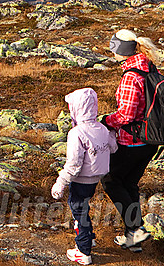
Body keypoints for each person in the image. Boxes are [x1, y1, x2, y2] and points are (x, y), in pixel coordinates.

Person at [101, 29, 158, 253]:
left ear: (120, 50)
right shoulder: (149, 68)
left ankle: (135, 229)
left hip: (131, 140)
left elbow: (126, 115)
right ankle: (133, 238)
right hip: (150, 141)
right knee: (129, 184)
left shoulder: (130, 77)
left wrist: (105, 121)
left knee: (111, 181)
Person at [51, 87, 118, 265]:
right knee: (84, 207)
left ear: (77, 109)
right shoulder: (102, 128)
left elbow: (73, 165)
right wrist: (111, 134)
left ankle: (83, 251)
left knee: (79, 212)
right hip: (96, 177)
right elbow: (114, 148)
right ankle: (90, 238)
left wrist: (60, 182)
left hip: (81, 179)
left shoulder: (76, 133)